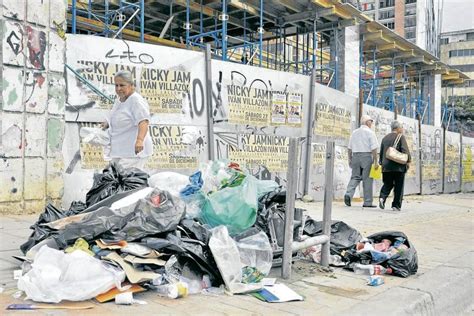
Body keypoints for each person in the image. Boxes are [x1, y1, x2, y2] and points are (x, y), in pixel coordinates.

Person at [101, 70, 153, 170]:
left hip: (133, 152)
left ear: (131, 85)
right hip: (120, 150)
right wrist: (107, 124)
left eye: (122, 85)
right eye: (116, 85)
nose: (118, 88)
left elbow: (143, 121)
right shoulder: (120, 100)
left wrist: (140, 140)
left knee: (125, 180)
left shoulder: (136, 100)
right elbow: (118, 117)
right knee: (110, 176)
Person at [344, 115, 379, 207]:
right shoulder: (370, 133)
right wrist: (376, 161)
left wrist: (350, 159)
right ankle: (367, 202)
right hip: (366, 156)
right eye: (371, 122)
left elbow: (349, 148)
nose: (371, 123)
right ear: (367, 122)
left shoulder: (354, 132)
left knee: (355, 177)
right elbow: (374, 149)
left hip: (355, 156)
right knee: (367, 179)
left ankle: (348, 194)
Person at [378, 121, 411, 212]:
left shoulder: (385, 138)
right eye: (402, 127)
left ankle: (382, 197)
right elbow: (405, 151)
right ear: (398, 128)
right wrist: (408, 161)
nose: (402, 129)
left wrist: (381, 163)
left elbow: (381, 153)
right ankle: (396, 205)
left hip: (386, 167)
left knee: (387, 184)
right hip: (398, 167)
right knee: (398, 186)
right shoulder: (400, 137)